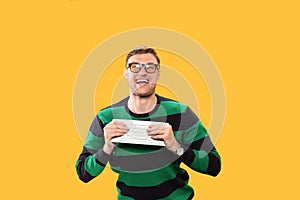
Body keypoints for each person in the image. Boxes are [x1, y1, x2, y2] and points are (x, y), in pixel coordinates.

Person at [75, 46, 221, 200]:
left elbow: (214, 166)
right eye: (134, 66)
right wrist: (106, 148)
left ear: (158, 74)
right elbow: (83, 172)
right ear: (126, 73)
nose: (142, 72)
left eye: (150, 67)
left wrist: (176, 147)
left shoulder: (182, 114)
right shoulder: (106, 118)